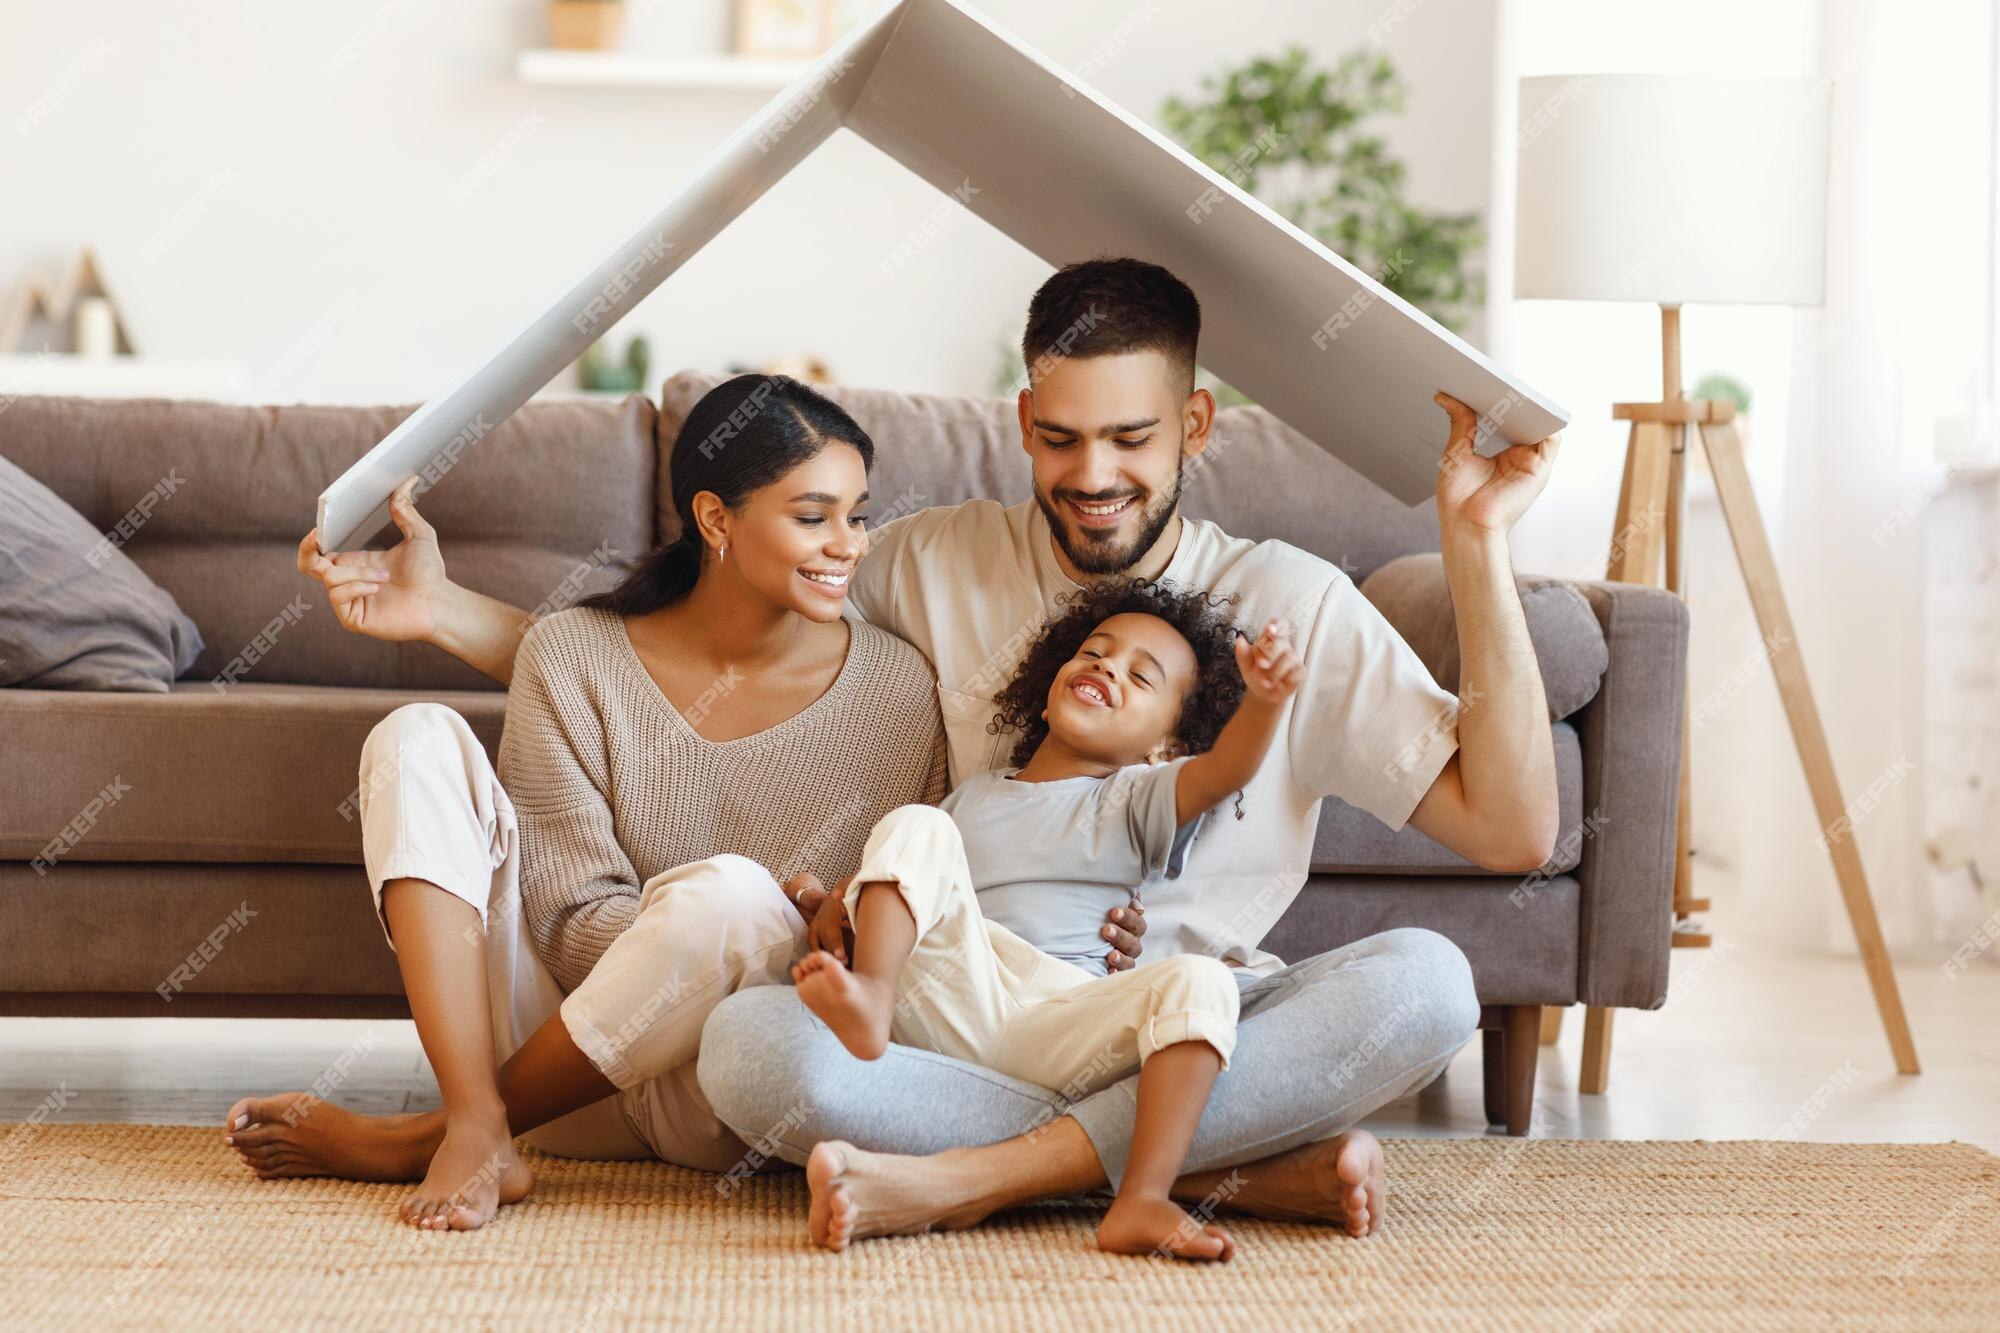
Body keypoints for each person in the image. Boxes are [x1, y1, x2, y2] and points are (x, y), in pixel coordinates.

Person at [696, 257, 1561, 1246]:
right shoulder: (930, 560)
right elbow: (705, 632)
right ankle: (1216, 1168)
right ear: (1022, 422)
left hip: (1193, 1021)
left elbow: (1512, 828)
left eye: (1129, 438)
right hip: (984, 1013)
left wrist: (1475, 539)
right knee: (745, 1049)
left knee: (1427, 983)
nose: (1092, 476)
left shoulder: (1289, 602)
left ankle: (982, 1177)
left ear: (1194, 424)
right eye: (1060, 439)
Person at [222, 373, 947, 1229]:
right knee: (413, 736)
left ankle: (439, 1133)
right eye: (813, 516)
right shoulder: (572, 653)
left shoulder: (898, 686)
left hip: (732, 1083)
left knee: (733, 898)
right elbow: (566, 923)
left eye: (858, 515)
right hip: (566, 1064)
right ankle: (475, 1114)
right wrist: (680, 935)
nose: (849, 545)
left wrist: (802, 924)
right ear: (716, 519)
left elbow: (894, 920)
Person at [794, 584, 1303, 1260]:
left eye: (1139, 675)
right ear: (1045, 690)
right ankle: (871, 997)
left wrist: (1265, 702)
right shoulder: (973, 795)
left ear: (1165, 747)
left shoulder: (1133, 800)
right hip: (954, 996)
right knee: (919, 823)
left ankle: (1143, 1197)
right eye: (1094, 653)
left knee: (1202, 982)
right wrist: (826, 901)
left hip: (1058, 1016)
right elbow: (916, 882)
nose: (1106, 667)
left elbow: (1224, 771)